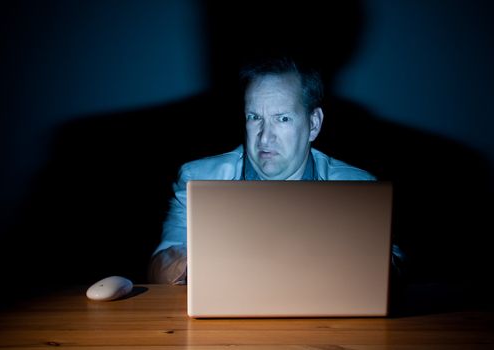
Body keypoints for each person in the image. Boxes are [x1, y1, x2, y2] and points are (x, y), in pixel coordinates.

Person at [148, 57, 401, 284]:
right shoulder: (198, 179)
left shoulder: (358, 187)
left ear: (313, 124)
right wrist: (205, 262)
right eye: (255, 117)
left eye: (282, 119)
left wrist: (354, 258)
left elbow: (396, 267)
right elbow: (158, 269)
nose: (265, 138)